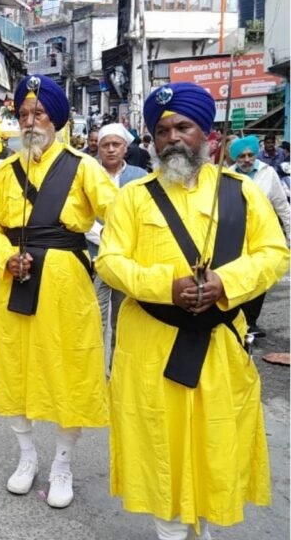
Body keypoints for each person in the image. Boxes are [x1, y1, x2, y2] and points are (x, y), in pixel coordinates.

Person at [95, 82, 289, 540]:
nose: (172, 138)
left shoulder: (242, 193)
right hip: (151, 350)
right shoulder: (133, 197)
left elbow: (275, 254)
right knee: (160, 451)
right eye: (162, 131)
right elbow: (109, 261)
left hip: (219, 347)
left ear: (208, 134)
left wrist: (225, 283)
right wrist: (166, 285)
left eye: (183, 126)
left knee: (214, 448)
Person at [0, 74, 117, 508]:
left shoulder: (84, 166)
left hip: (66, 288)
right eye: (22, 114)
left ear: (55, 119)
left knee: (68, 373)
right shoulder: (5, 172)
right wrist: (5, 258)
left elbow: (121, 219)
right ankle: (26, 457)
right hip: (16, 281)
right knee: (16, 371)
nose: (29, 121)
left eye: (38, 113)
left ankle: (62, 462)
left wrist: (112, 263)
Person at [85, 123, 147, 371]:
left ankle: (118, 372)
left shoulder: (140, 177)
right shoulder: (86, 173)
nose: (110, 150)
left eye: (115, 145)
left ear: (125, 148)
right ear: (98, 148)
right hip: (94, 259)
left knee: (123, 319)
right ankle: (95, 374)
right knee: (94, 320)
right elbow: (80, 216)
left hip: (128, 260)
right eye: (105, 145)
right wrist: (108, 238)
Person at [227, 134, 291, 338]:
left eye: (250, 155)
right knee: (236, 276)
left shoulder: (268, 173)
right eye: (242, 156)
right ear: (235, 158)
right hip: (234, 235)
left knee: (259, 276)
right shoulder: (226, 175)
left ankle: (251, 321)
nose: (247, 159)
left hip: (262, 235)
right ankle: (237, 319)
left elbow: (282, 206)